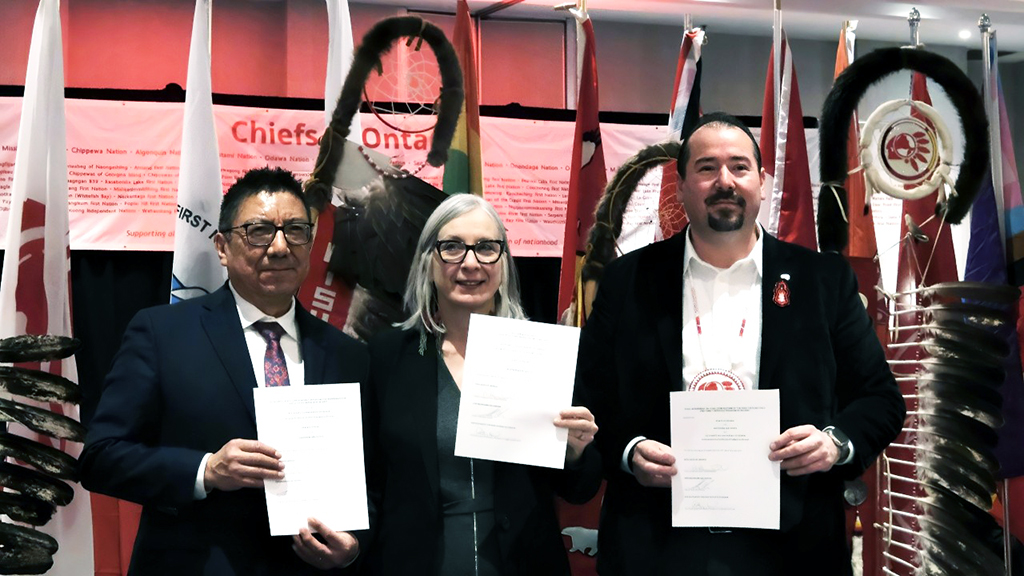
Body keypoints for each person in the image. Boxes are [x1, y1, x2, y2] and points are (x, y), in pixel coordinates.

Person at [575, 112, 905, 576]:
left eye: (739, 167)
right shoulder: (628, 281)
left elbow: (881, 400)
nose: (724, 181)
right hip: (657, 546)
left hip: (793, 549)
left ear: (763, 182)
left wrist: (834, 443)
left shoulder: (822, 281)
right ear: (682, 184)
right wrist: (629, 453)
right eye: (707, 168)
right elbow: (589, 401)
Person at [79, 167, 369, 575]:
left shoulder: (346, 354)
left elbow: (372, 474)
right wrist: (207, 470)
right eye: (259, 231)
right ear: (221, 247)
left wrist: (354, 546)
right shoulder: (163, 334)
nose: (280, 247)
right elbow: (100, 458)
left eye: (297, 230)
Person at [362, 193, 602, 575]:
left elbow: (580, 488)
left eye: (487, 248)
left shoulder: (541, 353)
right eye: (452, 247)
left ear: (504, 263)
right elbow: (369, 479)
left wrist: (574, 453)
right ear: (428, 260)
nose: (470, 263)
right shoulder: (386, 357)